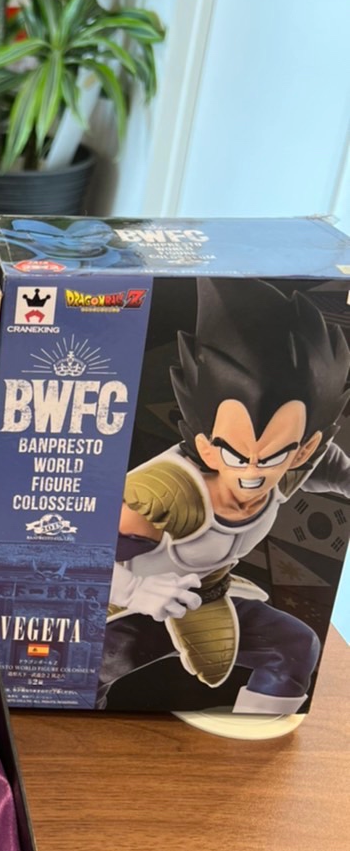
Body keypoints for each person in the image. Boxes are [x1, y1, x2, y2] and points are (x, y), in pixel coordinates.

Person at [100, 278, 350, 713]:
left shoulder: (285, 472)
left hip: (208, 603)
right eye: (237, 455)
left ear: (301, 450)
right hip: (125, 612)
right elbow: (80, 554)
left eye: (272, 456)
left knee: (295, 648)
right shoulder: (167, 495)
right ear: (207, 446)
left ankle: (256, 737)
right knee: (82, 671)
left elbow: (327, 464)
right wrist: (136, 588)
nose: (252, 472)